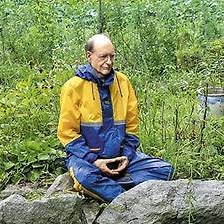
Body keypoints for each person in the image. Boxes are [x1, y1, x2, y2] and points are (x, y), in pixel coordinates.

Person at [57, 34, 174, 202]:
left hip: (120, 156)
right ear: (89, 56)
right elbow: (67, 132)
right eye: (103, 57)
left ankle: (114, 186)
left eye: (112, 56)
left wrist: (127, 155)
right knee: (86, 178)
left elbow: (132, 125)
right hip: (87, 160)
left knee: (165, 169)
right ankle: (126, 197)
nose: (109, 62)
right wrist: (95, 161)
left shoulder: (122, 81)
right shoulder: (73, 87)